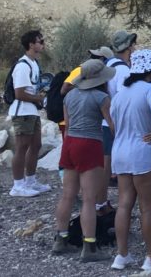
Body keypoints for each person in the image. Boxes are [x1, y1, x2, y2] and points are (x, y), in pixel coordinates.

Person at [109, 49, 151, 272]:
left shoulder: (120, 93)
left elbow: (113, 124)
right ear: (150, 68)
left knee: (124, 204)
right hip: (143, 152)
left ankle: (121, 255)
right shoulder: (150, 89)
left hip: (121, 152)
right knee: (147, 209)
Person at [52, 59, 117, 262]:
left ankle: (60, 239)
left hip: (70, 143)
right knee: (89, 198)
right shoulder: (102, 97)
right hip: (90, 144)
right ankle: (89, 246)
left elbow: (68, 124)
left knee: (67, 195)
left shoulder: (69, 96)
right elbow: (111, 125)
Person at [8, 30, 50, 197]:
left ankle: (30, 181)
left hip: (31, 110)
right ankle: (18, 185)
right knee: (22, 147)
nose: (42, 44)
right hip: (23, 111)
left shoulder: (34, 64)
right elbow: (19, 93)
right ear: (31, 45)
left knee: (36, 145)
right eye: (40, 41)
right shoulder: (22, 66)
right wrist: (37, 98)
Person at [106, 30, 137, 189]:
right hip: (114, 120)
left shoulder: (109, 63)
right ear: (129, 47)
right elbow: (122, 97)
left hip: (104, 119)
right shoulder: (124, 70)